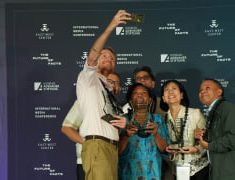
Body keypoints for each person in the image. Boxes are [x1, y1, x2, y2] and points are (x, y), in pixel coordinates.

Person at [62, 10, 131, 180]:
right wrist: (111, 27)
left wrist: (122, 123)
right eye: (105, 55)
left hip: (111, 148)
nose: (109, 59)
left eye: (113, 59)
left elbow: (107, 117)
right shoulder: (88, 78)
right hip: (97, 145)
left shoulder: (108, 88)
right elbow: (92, 57)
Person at [61, 73, 122, 180]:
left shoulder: (116, 109)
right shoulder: (86, 101)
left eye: (116, 83)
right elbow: (67, 128)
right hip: (90, 159)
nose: (113, 86)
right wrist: (93, 145)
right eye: (110, 82)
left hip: (110, 160)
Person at [194, 79, 235, 180]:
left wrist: (209, 145)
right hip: (223, 172)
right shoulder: (214, 111)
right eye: (200, 90)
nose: (202, 91)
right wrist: (203, 135)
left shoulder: (228, 108)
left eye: (207, 88)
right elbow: (218, 135)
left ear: (219, 92)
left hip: (233, 173)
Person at [118, 83, 170, 180]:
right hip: (128, 175)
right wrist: (126, 136)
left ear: (150, 100)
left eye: (144, 92)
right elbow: (116, 152)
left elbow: (164, 149)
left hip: (153, 176)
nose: (140, 95)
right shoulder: (122, 121)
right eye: (136, 93)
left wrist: (155, 134)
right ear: (130, 100)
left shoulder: (158, 120)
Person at [160, 80, 209, 180]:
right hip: (177, 170)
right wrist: (170, 152)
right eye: (166, 90)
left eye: (174, 88)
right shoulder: (161, 120)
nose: (170, 92)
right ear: (163, 98)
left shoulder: (195, 113)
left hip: (199, 169)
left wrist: (196, 149)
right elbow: (162, 148)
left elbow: (209, 139)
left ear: (182, 95)